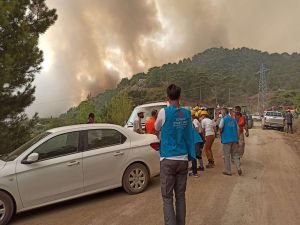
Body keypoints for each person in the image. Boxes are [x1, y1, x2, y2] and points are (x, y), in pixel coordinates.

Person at [155, 84, 195, 225]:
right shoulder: (186, 113)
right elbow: (189, 134)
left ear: (168, 97)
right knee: (180, 196)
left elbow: (156, 127)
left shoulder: (163, 112)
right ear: (179, 96)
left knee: (167, 198)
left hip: (167, 159)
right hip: (183, 159)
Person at [219, 108, 242, 176]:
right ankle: (238, 167)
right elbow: (238, 130)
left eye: (221, 112)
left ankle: (228, 171)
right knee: (235, 155)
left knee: (227, 155)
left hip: (226, 140)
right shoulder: (234, 120)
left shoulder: (224, 119)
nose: (221, 113)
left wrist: (221, 132)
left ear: (224, 112)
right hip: (234, 139)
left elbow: (220, 127)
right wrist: (237, 139)